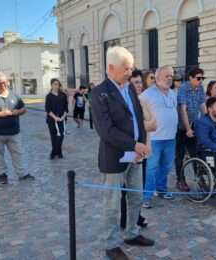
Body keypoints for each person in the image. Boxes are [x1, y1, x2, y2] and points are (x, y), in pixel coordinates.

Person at [91, 46, 154, 260]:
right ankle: (111, 245)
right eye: (126, 68)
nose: (131, 73)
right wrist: (134, 145)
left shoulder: (129, 89)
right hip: (113, 158)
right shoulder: (99, 93)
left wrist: (142, 144)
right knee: (112, 204)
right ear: (111, 68)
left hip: (135, 156)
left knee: (136, 197)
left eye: (132, 68)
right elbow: (105, 130)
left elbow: (138, 119)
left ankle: (132, 233)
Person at [0, 72, 35, 184]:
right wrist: (1, 114)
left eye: (4, 82)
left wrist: (17, 111)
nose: (2, 85)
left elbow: (24, 109)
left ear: (8, 82)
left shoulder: (14, 95)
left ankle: (22, 174)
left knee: (18, 153)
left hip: (14, 131)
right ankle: (2, 175)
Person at [120, 69, 156, 229]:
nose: (139, 85)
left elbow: (154, 124)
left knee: (137, 188)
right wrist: (141, 125)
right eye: (136, 82)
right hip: (126, 151)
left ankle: (136, 216)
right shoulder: (124, 101)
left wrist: (139, 125)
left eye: (141, 82)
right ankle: (123, 218)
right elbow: (124, 128)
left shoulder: (144, 101)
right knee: (123, 188)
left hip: (143, 151)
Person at [140, 66, 178, 208]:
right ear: (157, 78)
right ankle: (147, 196)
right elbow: (140, 117)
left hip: (171, 137)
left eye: (171, 76)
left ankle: (161, 189)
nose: (169, 78)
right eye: (166, 76)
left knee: (167, 166)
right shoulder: (146, 95)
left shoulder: (174, 93)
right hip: (154, 138)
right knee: (151, 168)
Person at [175, 67, 206, 192]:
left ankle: (199, 178)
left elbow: (202, 106)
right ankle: (180, 180)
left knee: (195, 153)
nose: (201, 81)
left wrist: (208, 122)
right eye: (198, 78)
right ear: (190, 78)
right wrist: (187, 129)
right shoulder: (183, 88)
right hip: (180, 127)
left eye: (202, 78)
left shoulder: (200, 88)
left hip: (192, 124)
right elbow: (182, 109)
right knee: (180, 155)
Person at [45, 78, 68, 160]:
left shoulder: (63, 95)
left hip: (62, 119)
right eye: (54, 84)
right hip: (52, 120)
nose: (56, 86)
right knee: (54, 137)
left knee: (61, 136)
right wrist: (55, 117)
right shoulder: (49, 96)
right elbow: (48, 109)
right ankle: (57, 152)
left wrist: (63, 116)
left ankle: (55, 152)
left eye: (58, 84)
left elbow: (66, 107)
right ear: (51, 85)